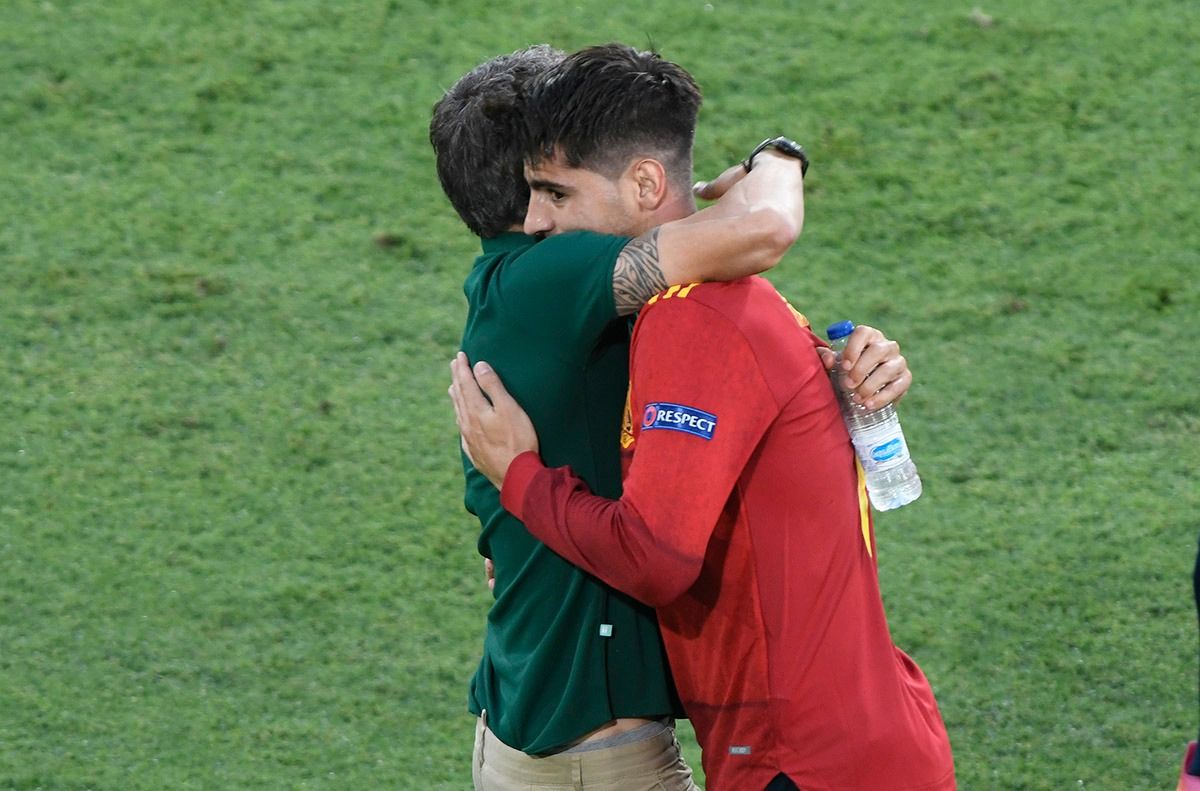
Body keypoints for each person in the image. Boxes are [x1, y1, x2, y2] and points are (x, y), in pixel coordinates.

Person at [449, 43, 954, 791]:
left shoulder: (694, 322)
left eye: (555, 193)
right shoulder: (734, 304)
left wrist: (520, 479)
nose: (537, 220)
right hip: (845, 738)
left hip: (802, 760)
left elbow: (655, 557)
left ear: (646, 182)